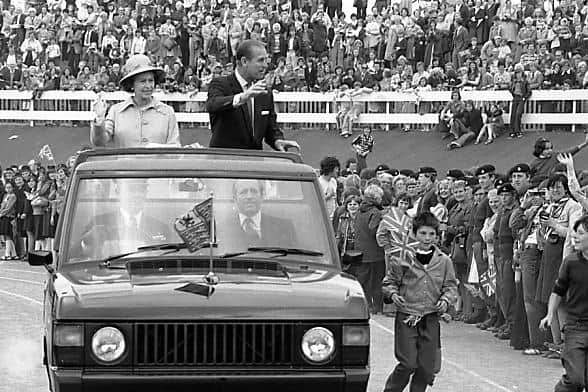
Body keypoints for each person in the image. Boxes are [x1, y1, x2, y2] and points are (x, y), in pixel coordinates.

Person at [382, 212, 458, 392]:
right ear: (414, 234)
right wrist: (393, 295)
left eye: (432, 234)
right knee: (408, 363)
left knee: (426, 367)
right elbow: (389, 282)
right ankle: (391, 389)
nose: (427, 238)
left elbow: (451, 286)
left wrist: (446, 301)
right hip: (407, 316)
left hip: (430, 318)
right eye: (423, 233)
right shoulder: (403, 257)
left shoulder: (444, 261)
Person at [206, 40, 300, 151]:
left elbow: (271, 128)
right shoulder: (220, 84)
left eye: (266, 60)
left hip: (255, 163)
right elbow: (213, 105)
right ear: (244, 61)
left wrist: (277, 140)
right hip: (225, 161)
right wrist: (243, 97)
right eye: (261, 60)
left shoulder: (264, 92)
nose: (265, 65)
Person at [540, 215, 588, 392]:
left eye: (581, 233)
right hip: (576, 327)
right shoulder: (570, 262)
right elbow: (558, 290)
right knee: (575, 380)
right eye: (574, 232)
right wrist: (550, 314)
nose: (574, 236)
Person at [90, 54, 181, 148]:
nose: (148, 86)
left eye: (151, 81)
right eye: (143, 81)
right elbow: (99, 142)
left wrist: (158, 149)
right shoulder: (116, 111)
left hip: (156, 163)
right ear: (132, 84)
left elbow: (175, 147)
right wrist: (100, 119)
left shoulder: (167, 112)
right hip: (124, 163)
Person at [220, 179, 297, 251]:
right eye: (243, 192)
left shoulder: (284, 227)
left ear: (262, 196)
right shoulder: (221, 229)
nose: (249, 196)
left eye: (254, 191)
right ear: (234, 198)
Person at [0, 182, 18, 260]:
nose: (8, 189)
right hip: (4, 216)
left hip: (9, 216)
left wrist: (1, 214)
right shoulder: (5, 196)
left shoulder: (13, 196)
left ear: (13, 188)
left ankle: (7, 254)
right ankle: (14, 254)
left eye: (10, 187)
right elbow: (2, 205)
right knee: (6, 234)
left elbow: (9, 208)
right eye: (7, 187)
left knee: (8, 235)